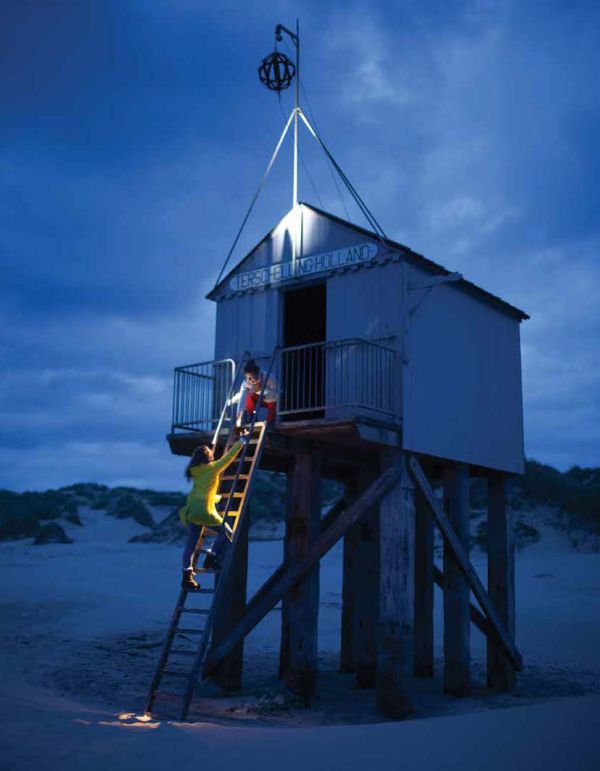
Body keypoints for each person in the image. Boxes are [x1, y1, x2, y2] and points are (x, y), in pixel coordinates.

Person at [178, 438, 246, 589]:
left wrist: (215, 497)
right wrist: (241, 441)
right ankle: (211, 556)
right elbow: (228, 458)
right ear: (208, 457)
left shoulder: (193, 471)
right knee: (227, 532)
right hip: (205, 510)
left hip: (192, 510)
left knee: (190, 545)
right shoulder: (212, 468)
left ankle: (186, 577)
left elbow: (201, 489)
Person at [230, 358, 278, 426]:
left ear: (256, 374)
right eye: (247, 378)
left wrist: (259, 391)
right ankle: (252, 417)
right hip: (257, 400)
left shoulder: (268, 377)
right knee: (248, 395)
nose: (249, 380)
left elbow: (275, 394)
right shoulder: (246, 383)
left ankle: (270, 421)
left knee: (273, 403)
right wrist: (239, 414)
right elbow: (242, 398)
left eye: (250, 377)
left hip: (269, 399)